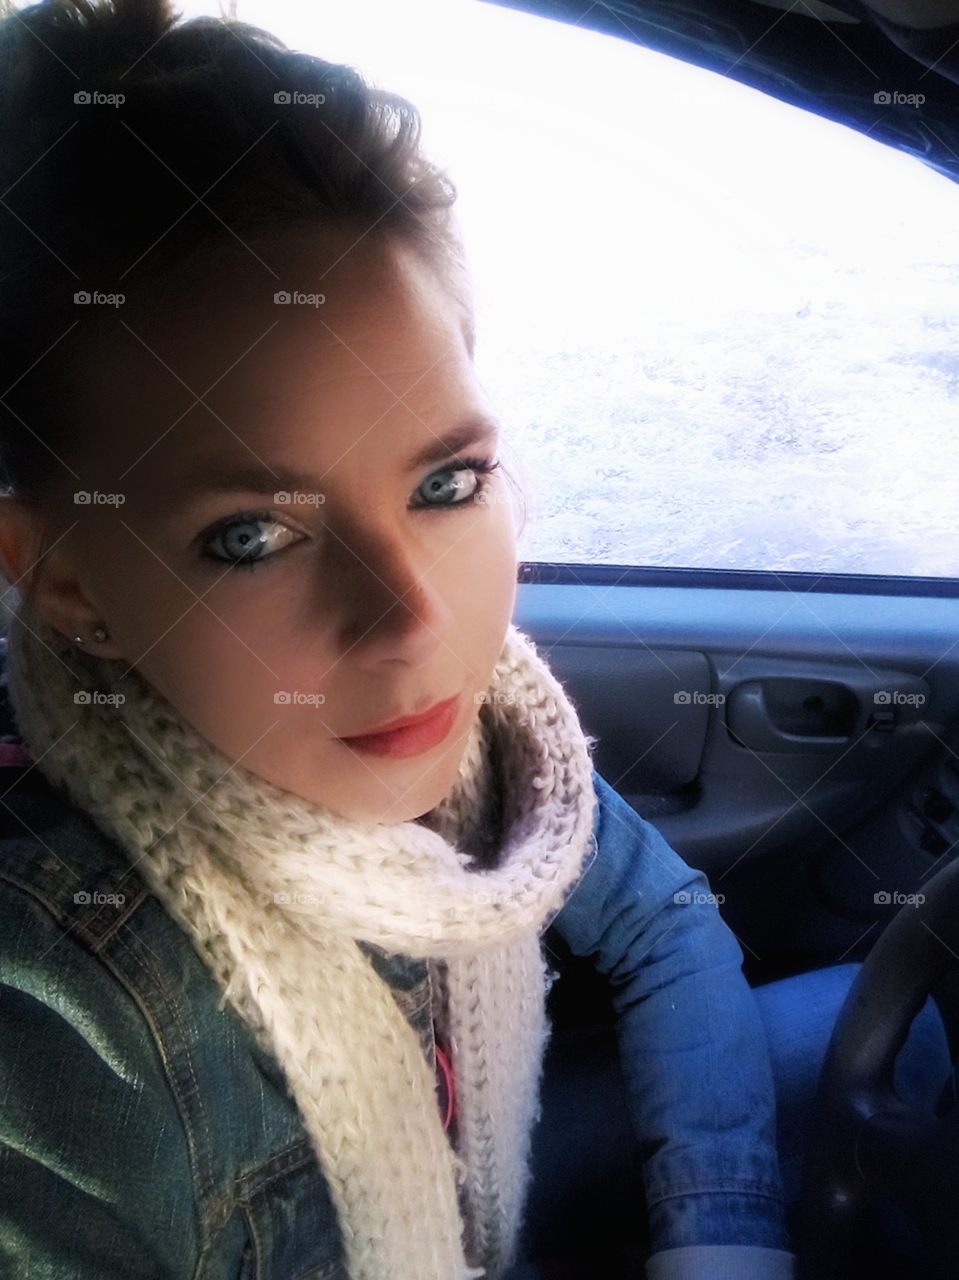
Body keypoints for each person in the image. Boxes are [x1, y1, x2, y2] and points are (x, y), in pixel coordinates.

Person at [0, 3, 948, 1279]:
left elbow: (659, 910)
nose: (415, 620)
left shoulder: (488, 733)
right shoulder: (65, 1030)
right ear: (66, 587)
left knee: (886, 1029)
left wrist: (718, 1233)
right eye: (247, 536)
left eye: (443, 482)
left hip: (481, 1211)